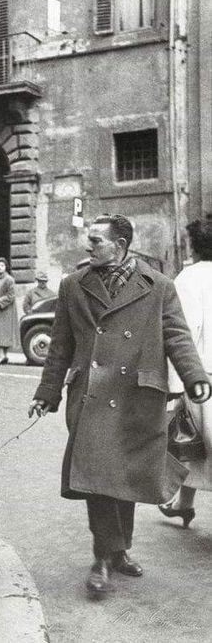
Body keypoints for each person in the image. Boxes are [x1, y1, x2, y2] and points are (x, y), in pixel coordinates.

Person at [28, 214, 211, 597]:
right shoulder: (72, 286)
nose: (88, 246)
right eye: (88, 240)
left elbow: (177, 335)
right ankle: (102, 556)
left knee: (124, 477)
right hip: (91, 396)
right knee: (97, 477)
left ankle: (119, 549)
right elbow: (61, 346)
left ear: (121, 245)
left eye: (96, 240)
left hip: (137, 396)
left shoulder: (158, 286)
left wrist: (195, 377)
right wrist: (47, 393)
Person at [159, 215, 212, 526]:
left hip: (202, 378)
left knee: (194, 442)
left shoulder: (189, 279)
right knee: (196, 445)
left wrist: (175, 386)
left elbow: (183, 335)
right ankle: (182, 502)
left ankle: (182, 502)